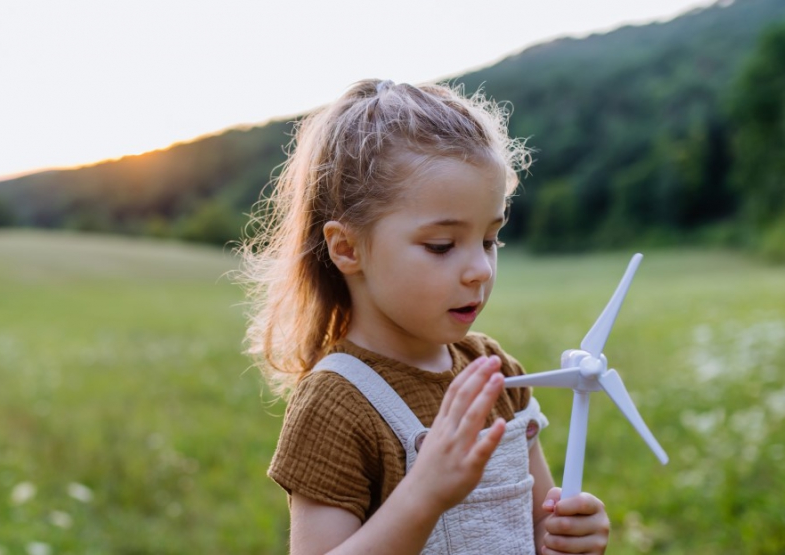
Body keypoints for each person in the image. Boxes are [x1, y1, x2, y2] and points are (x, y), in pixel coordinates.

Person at [239, 79, 610, 554]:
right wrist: (425, 493)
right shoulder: (336, 405)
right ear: (347, 248)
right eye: (441, 245)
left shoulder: (495, 373)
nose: (480, 269)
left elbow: (533, 528)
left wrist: (566, 537)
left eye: (490, 240)